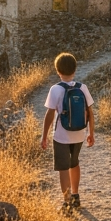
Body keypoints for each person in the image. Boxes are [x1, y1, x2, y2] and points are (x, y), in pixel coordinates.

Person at [40, 52, 95, 210]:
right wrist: (91, 133)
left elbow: (50, 114)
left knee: (63, 168)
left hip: (61, 135)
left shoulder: (55, 89)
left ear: (58, 70)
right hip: (79, 133)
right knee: (74, 163)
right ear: (75, 70)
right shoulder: (82, 87)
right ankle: (76, 196)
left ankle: (67, 202)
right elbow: (90, 112)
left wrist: (44, 136)